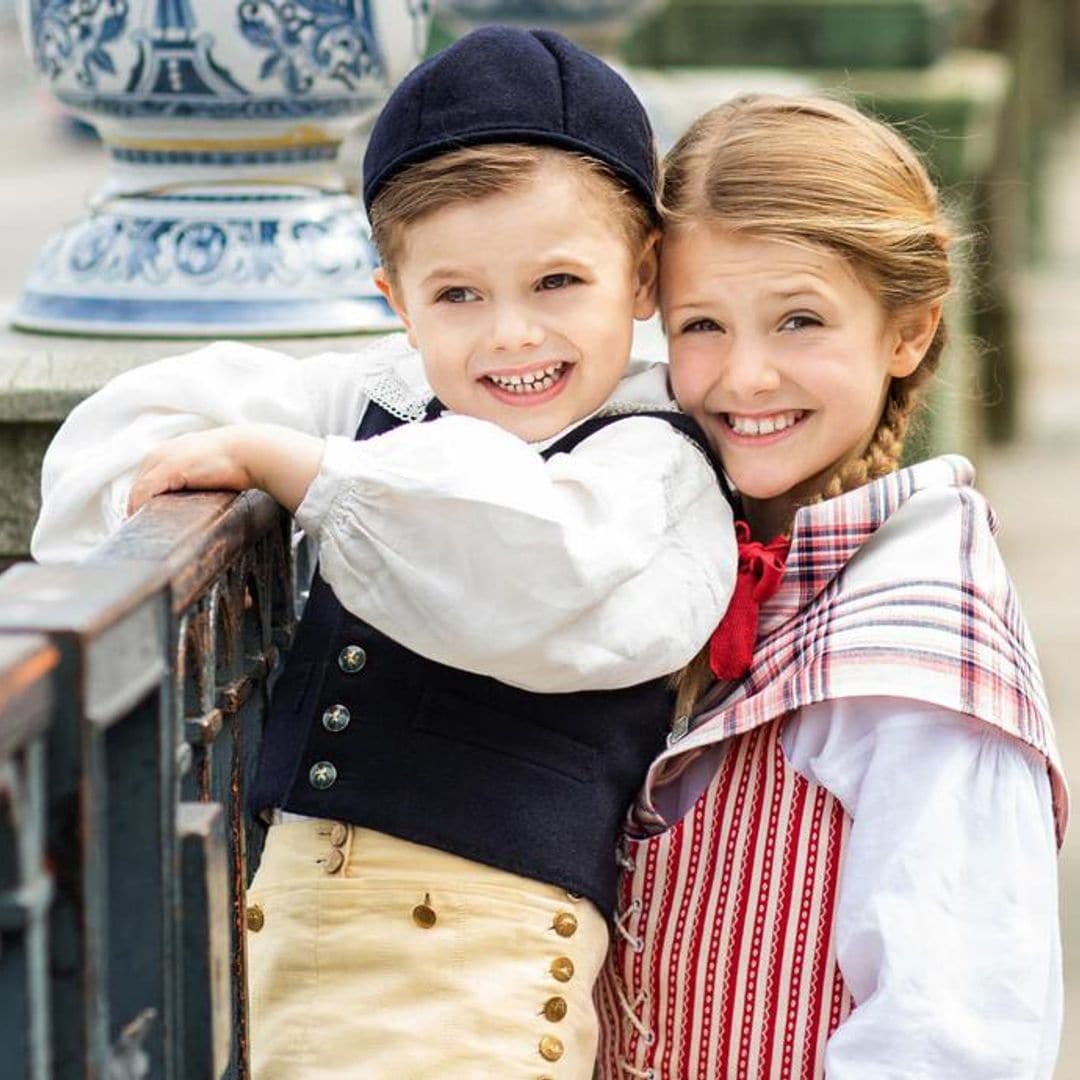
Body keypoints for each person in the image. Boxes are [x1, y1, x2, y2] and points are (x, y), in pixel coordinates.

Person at [31, 27, 738, 1079]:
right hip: (297, 948)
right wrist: (224, 456)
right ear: (395, 302)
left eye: (556, 283)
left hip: (465, 975)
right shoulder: (384, 402)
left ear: (640, 280)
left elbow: (527, 571)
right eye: (457, 294)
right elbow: (137, 427)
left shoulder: (649, 462)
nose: (510, 335)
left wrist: (301, 469)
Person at [595, 94, 1068, 1080]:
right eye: (702, 325)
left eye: (800, 320)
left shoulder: (919, 655)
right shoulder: (706, 558)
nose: (747, 375)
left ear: (908, 332)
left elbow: (953, 1036)